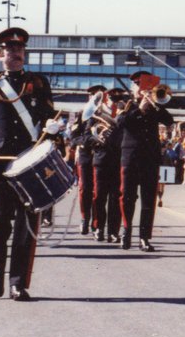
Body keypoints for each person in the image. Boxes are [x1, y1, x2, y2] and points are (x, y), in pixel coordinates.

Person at [0, 27, 61, 301]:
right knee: (0, 219)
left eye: (20, 49)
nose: (16, 53)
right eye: (10, 50)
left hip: (30, 162)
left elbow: (48, 116)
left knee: (27, 223)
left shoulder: (39, 83)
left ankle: (18, 282)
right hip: (0, 162)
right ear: (0, 54)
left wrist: (53, 127)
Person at [119, 71, 174, 252]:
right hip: (130, 156)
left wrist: (155, 104)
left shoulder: (155, 105)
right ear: (133, 87)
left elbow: (169, 121)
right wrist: (139, 109)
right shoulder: (126, 104)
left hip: (150, 157)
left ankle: (144, 237)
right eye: (138, 85)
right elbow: (121, 123)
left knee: (149, 198)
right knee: (127, 196)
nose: (142, 89)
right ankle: (126, 231)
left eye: (145, 86)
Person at [90, 87, 126, 244]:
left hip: (118, 159)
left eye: (118, 100)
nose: (115, 103)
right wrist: (97, 138)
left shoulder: (125, 114)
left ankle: (113, 231)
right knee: (99, 196)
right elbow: (84, 136)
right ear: (107, 99)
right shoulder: (96, 114)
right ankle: (98, 227)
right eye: (113, 99)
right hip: (101, 159)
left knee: (115, 198)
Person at [70, 84, 104, 236]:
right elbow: (73, 138)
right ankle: (85, 218)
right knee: (84, 188)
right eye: (92, 95)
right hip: (85, 155)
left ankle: (96, 224)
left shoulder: (105, 114)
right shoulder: (82, 113)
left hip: (100, 155)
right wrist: (87, 141)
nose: (95, 98)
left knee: (98, 190)